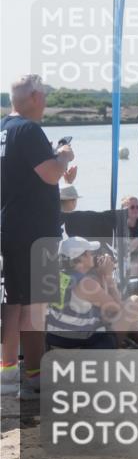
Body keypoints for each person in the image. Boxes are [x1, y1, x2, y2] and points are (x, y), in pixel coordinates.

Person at [0, 74, 75, 397]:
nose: (45, 101)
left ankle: (7, 373)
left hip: (12, 225)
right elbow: (49, 173)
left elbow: (30, 175)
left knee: (14, 301)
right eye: (43, 95)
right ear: (32, 97)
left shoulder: (4, 128)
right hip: (34, 231)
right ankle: (35, 375)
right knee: (35, 305)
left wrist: (57, 167)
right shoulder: (29, 130)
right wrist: (64, 156)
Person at [46, 237, 138, 350]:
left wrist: (101, 277)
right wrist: (108, 277)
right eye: (90, 253)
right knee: (135, 302)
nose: (93, 255)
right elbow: (118, 310)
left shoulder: (55, 278)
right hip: (82, 350)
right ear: (81, 259)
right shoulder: (86, 284)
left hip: (58, 346)